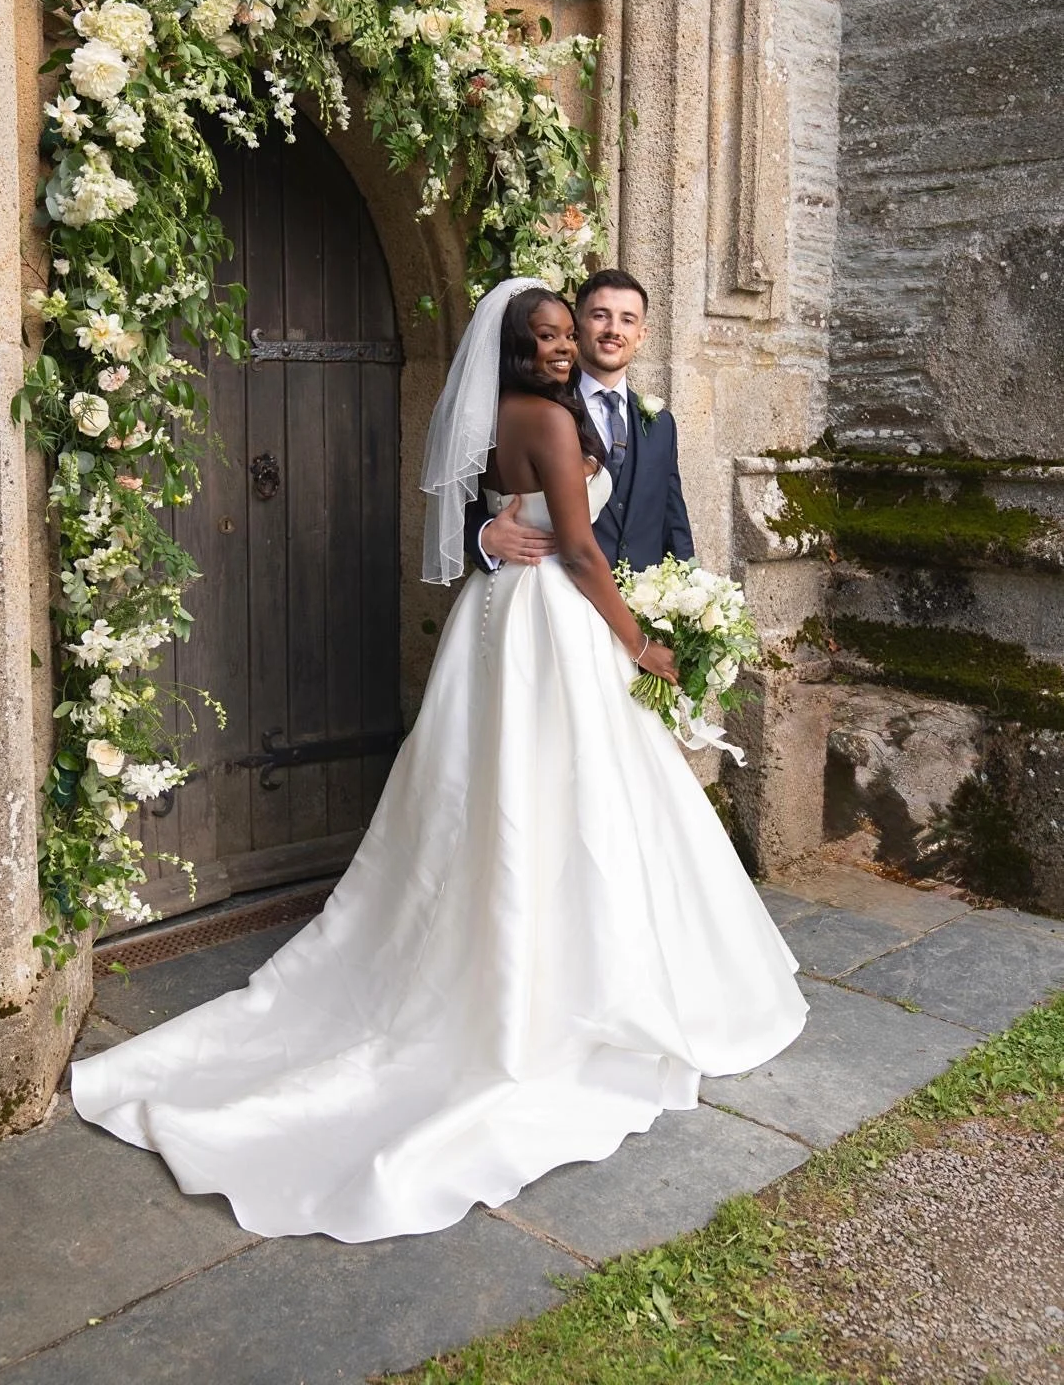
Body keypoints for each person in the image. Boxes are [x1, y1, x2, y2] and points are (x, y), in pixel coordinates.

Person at [71, 276, 807, 1245]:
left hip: (507, 619)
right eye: (545, 332)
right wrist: (642, 645)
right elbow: (579, 554)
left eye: (564, 332)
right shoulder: (542, 417)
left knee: (518, 789)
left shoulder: (508, 415)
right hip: (555, 619)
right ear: (512, 346)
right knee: (557, 789)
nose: (560, 344)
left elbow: (531, 519)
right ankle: (566, 981)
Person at [464, 268, 693, 572]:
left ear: (641, 336)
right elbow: (470, 491)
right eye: (600, 315)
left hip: (647, 606)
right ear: (578, 325)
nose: (614, 329)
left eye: (627, 319)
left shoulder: (662, 424)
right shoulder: (539, 410)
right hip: (561, 597)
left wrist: (691, 599)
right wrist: (484, 536)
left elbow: (673, 521)